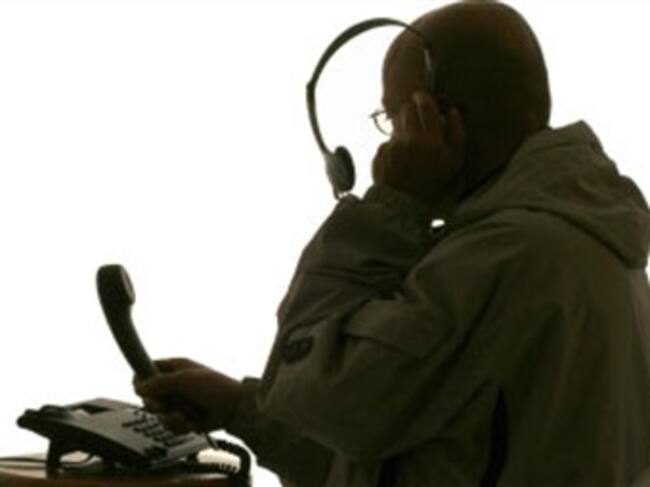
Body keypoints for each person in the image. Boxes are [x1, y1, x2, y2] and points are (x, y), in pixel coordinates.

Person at [133, 0, 650, 485]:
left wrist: (390, 207)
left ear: (435, 117)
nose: (389, 140)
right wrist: (239, 409)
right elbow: (396, 448)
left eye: (393, 116)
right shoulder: (582, 237)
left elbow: (320, 401)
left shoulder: (503, 255)